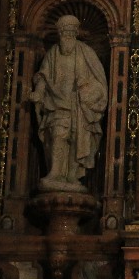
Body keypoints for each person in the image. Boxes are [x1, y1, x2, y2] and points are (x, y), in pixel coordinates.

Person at [29, 14, 108, 192]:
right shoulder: (53, 53)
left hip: (80, 106)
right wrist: (39, 92)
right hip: (57, 104)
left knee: (77, 139)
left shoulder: (86, 52)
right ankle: (56, 173)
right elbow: (43, 76)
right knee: (58, 135)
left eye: (71, 33)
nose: (67, 37)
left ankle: (73, 176)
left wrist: (87, 90)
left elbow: (99, 81)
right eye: (64, 33)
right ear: (60, 34)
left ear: (76, 33)